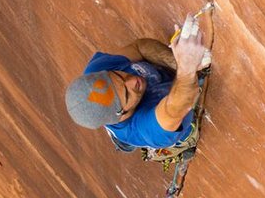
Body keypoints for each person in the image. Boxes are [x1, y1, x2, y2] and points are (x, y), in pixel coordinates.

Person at [65, 12, 213, 163]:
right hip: (161, 121)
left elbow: (139, 47)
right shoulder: (145, 129)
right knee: (184, 130)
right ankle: (174, 146)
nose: (133, 81)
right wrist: (188, 67)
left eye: (120, 75)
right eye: (127, 94)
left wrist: (177, 61)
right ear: (122, 114)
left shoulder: (96, 74)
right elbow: (179, 106)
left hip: (154, 88)